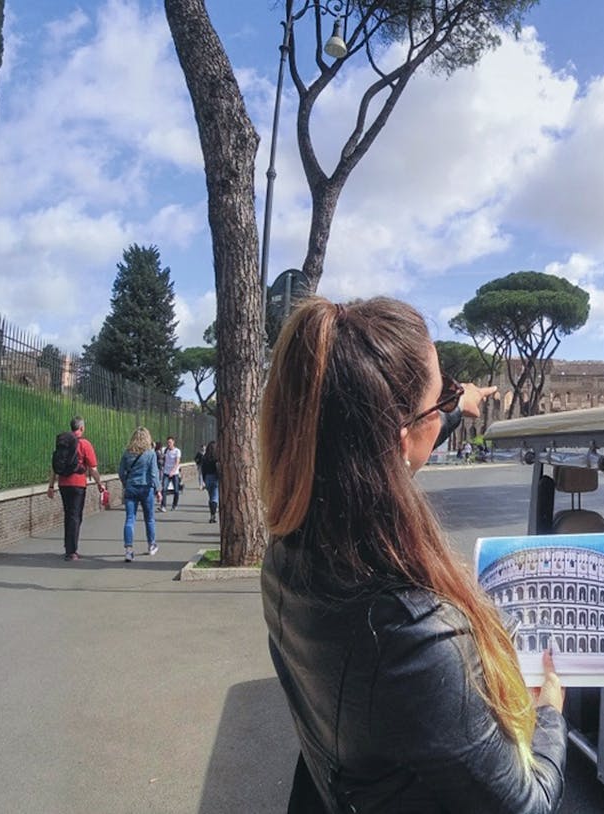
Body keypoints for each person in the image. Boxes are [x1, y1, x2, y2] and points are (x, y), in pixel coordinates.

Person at [258, 296, 565, 813]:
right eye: (438, 393)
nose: (445, 400)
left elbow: (374, 446)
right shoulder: (415, 634)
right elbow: (524, 806)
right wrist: (552, 713)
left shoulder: (287, 554)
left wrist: (450, 407)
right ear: (399, 439)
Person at [46, 415, 105, 561]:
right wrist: (99, 484)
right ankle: (72, 551)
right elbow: (92, 468)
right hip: (78, 484)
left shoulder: (63, 442)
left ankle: (69, 548)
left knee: (68, 515)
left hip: (63, 483)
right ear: (82, 428)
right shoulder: (85, 444)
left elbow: (55, 465)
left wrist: (51, 485)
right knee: (75, 516)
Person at [117, 427, 161, 561]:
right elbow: (154, 474)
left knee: (130, 519)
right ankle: (151, 545)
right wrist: (158, 490)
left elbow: (120, 472)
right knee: (149, 519)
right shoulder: (150, 453)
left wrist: (126, 483)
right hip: (146, 488)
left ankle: (129, 550)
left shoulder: (127, 453)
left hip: (131, 487)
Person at [199, 441, 219, 523]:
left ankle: (212, 515)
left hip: (207, 478)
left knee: (211, 497)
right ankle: (213, 516)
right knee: (215, 498)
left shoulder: (204, 458)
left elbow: (203, 470)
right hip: (215, 478)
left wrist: (204, 480)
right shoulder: (217, 458)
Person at [160, 435, 182, 511]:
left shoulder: (177, 451)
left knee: (176, 490)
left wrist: (173, 471)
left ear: (173, 442)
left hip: (174, 473)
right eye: (168, 442)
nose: (169, 444)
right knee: (164, 489)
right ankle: (163, 506)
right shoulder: (165, 450)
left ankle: (174, 505)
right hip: (166, 472)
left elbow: (177, 462)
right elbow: (163, 460)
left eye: (170, 442)